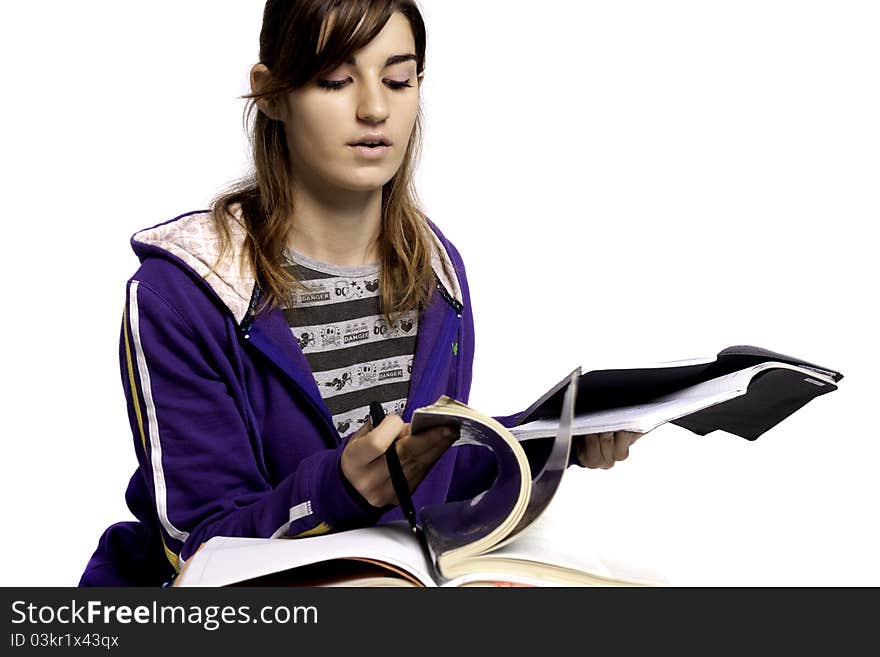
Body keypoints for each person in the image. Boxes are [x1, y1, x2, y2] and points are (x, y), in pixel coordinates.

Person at [79, 0, 647, 587]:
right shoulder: (183, 292)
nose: (375, 108)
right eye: (335, 80)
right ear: (271, 92)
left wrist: (552, 439)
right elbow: (199, 550)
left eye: (398, 80)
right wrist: (340, 490)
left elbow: (425, 469)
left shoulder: (435, 271)